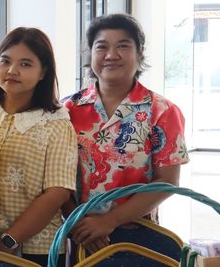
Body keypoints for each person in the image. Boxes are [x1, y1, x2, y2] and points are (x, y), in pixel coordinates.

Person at [64, 14, 189, 254]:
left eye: (123, 46)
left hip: (140, 236)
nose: (111, 55)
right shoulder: (67, 110)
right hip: (78, 235)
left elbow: (167, 181)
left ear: (139, 53)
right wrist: (79, 226)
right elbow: (56, 179)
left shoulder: (162, 111)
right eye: (102, 47)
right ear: (90, 54)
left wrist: (109, 221)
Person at [0, 27, 77, 267]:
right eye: (5, 61)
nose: (12, 70)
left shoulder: (56, 122)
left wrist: (8, 240)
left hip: (36, 250)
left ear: (43, 71)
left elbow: (57, 193)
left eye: (25, 64)